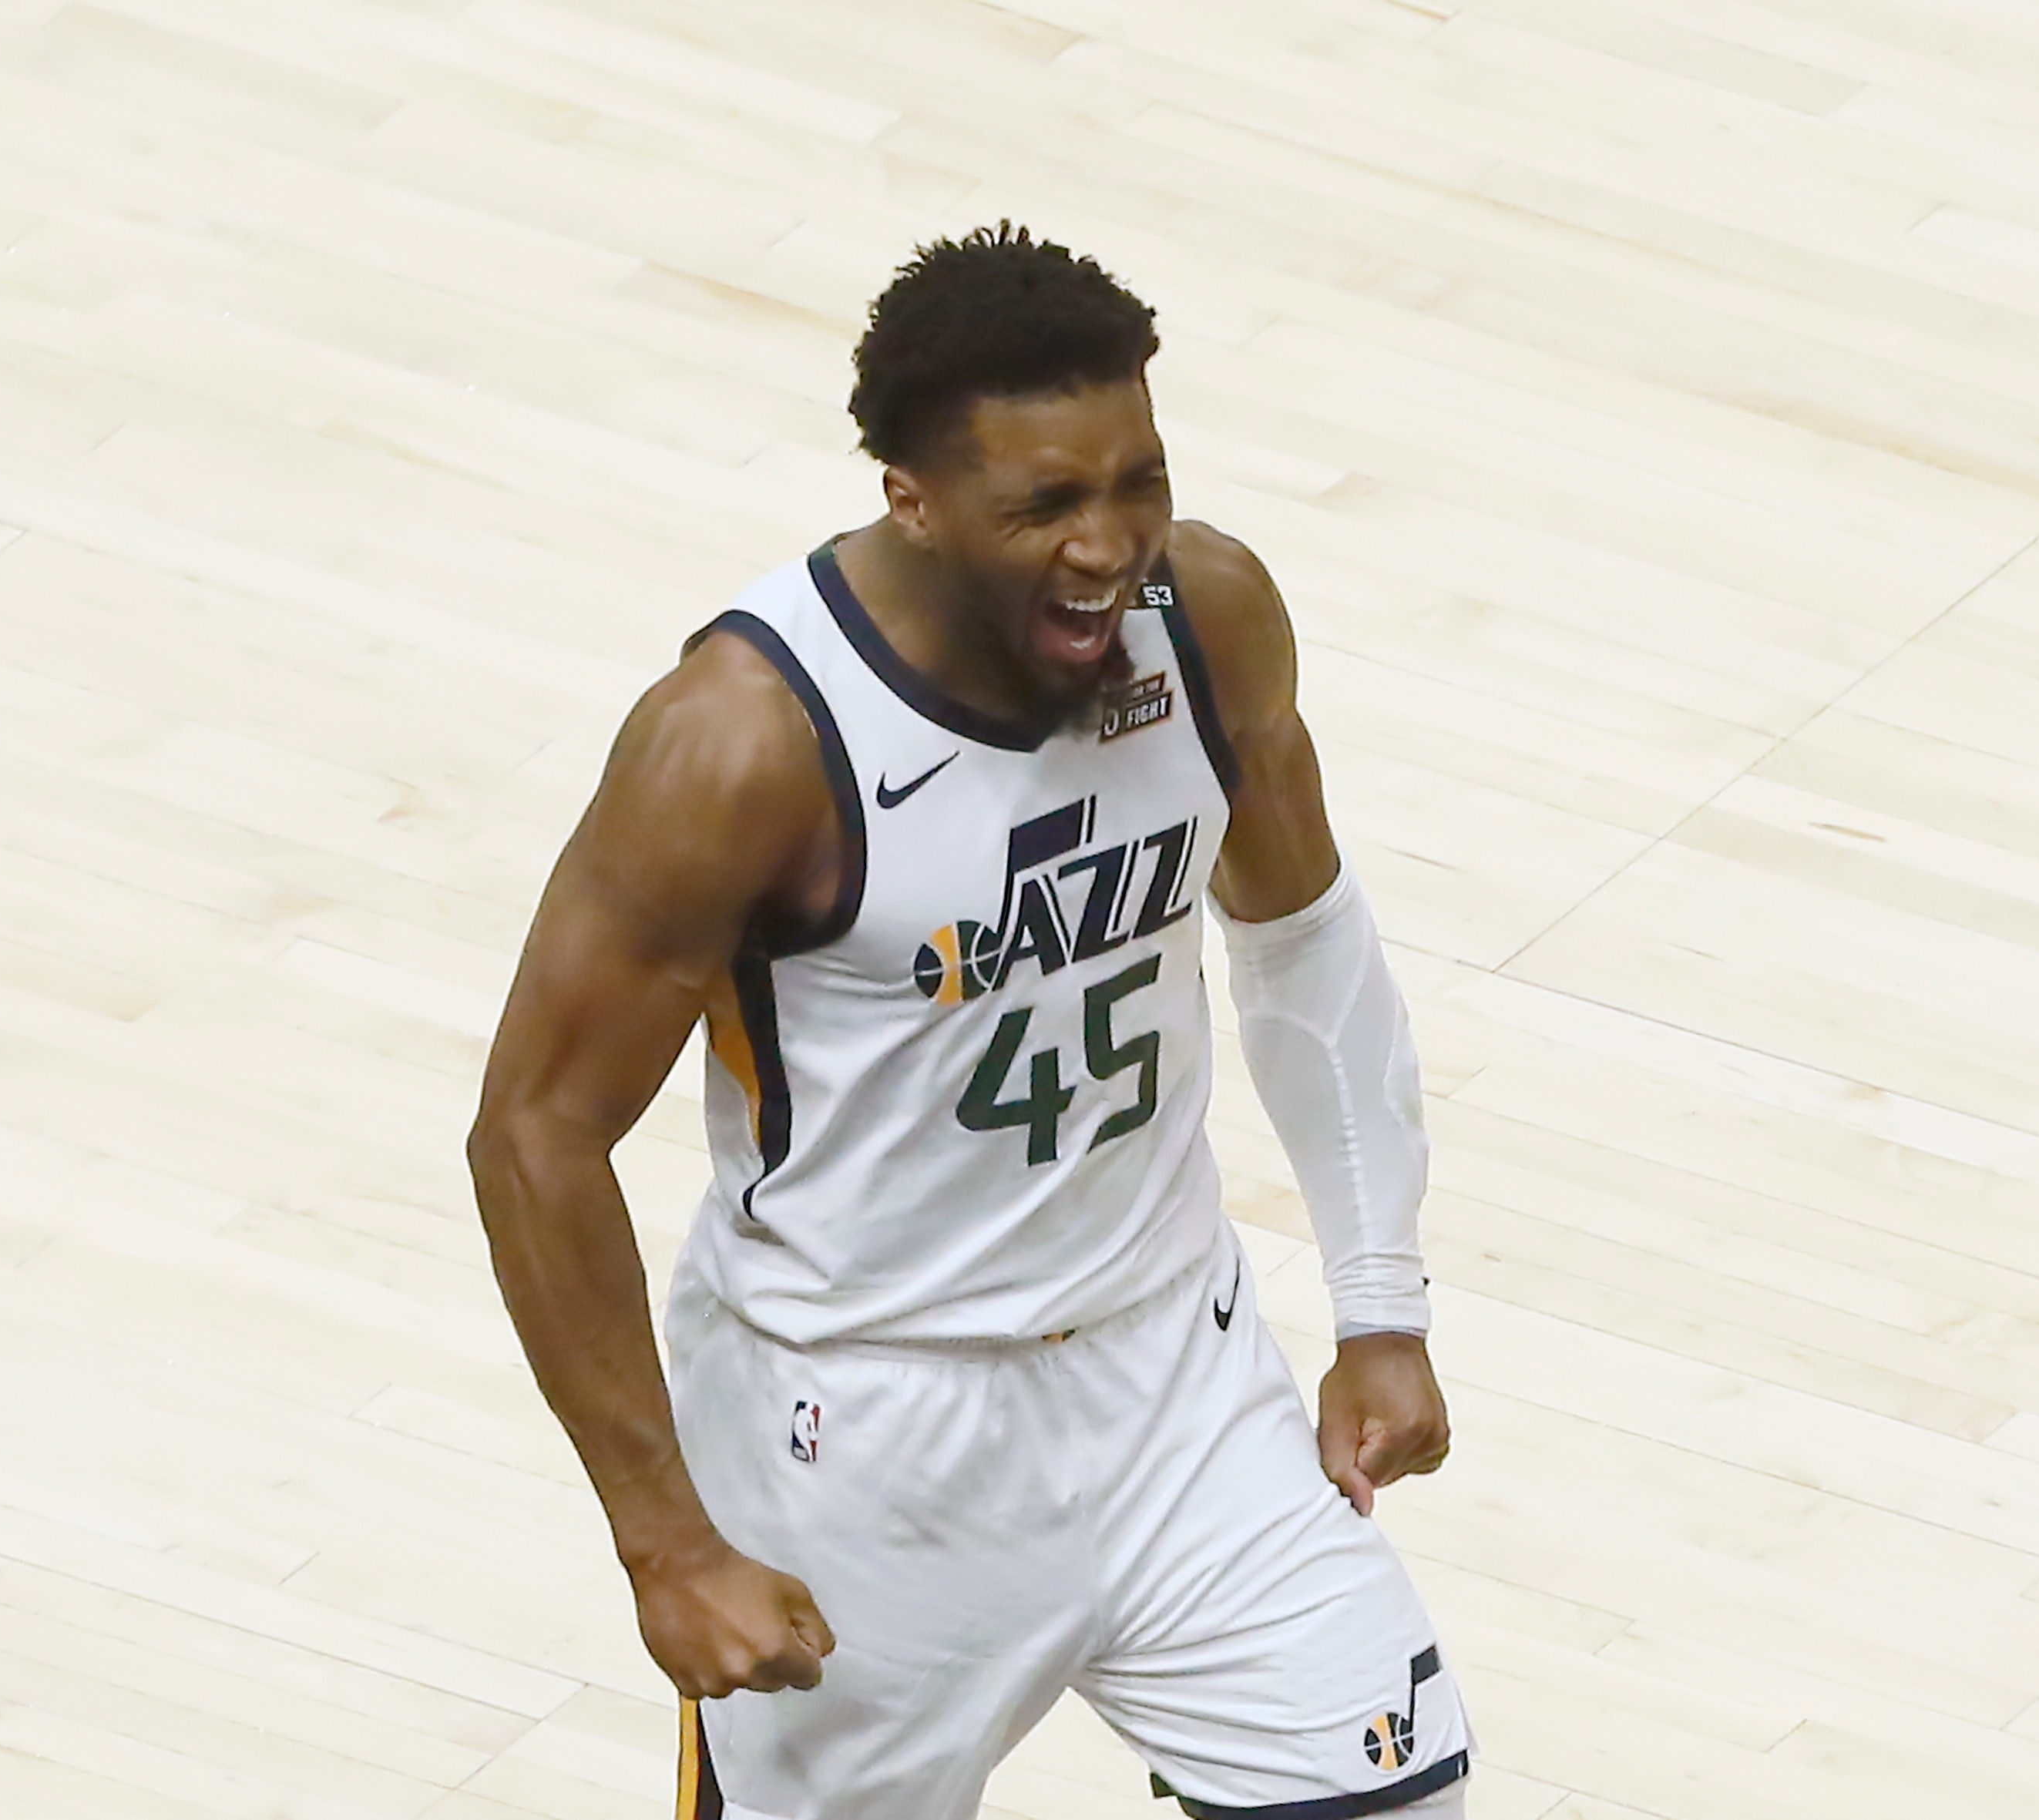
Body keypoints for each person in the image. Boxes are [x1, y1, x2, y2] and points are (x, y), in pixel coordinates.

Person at [467, 224, 1472, 1820]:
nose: (1110, 544)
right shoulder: (742, 745)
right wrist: (665, 1539)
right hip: (864, 1430)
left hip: (1173, 1373)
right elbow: (534, 1134)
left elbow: (1300, 935)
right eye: (1046, 507)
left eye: (1135, 479)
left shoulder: (1206, 623)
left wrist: (1376, 1296)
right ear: (912, 502)